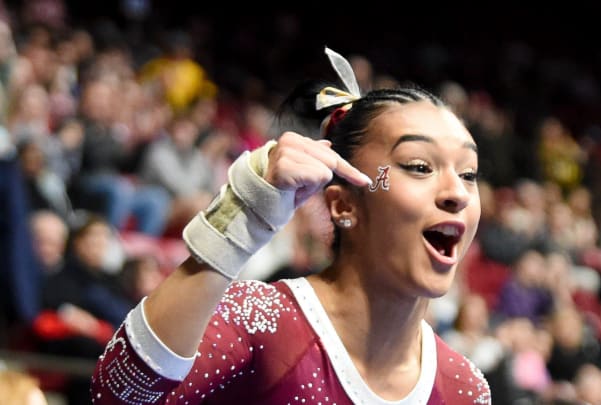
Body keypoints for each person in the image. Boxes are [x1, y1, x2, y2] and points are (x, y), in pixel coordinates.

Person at [91, 47, 491, 404]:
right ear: (344, 204)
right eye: (419, 167)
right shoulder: (261, 322)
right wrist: (243, 212)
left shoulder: (465, 388)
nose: (457, 192)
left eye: (469, 174)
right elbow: (121, 393)